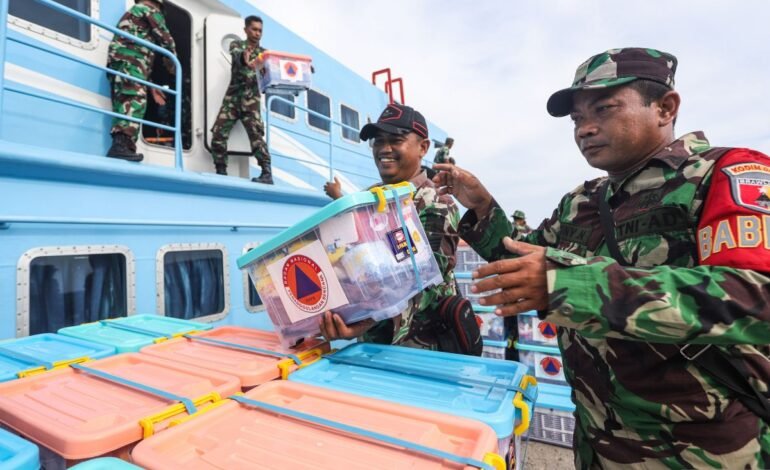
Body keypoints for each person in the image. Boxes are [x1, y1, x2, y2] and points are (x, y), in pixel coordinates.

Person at [433, 47, 770, 468]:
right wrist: (483, 209)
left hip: (702, 448)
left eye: (604, 109)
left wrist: (570, 285)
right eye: (577, 119)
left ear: (665, 108)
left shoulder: (724, 174)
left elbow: (756, 299)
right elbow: (528, 256)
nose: (585, 129)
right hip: (599, 437)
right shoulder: (582, 200)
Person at [320, 103, 460, 350]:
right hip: (371, 349)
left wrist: (364, 320)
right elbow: (347, 262)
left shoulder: (437, 204)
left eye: (396, 140)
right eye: (378, 141)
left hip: (426, 352)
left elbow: (428, 284)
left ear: (423, 148)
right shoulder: (365, 202)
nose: (384, 149)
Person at [106, 0, 176, 162]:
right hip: (129, 61)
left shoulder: (136, 11)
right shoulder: (148, 9)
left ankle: (123, 145)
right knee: (134, 99)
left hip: (126, 62)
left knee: (125, 101)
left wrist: (150, 84)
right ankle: (121, 146)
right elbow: (166, 39)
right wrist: (173, 65)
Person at [209, 15, 273, 184]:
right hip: (233, 99)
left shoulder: (266, 54)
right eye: (254, 29)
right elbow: (237, 55)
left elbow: (278, 68)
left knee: (257, 137)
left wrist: (303, 69)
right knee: (218, 134)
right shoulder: (237, 45)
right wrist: (244, 59)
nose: (257, 33)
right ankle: (221, 171)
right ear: (245, 30)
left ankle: (267, 172)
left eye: (260, 30)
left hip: (251, 102)